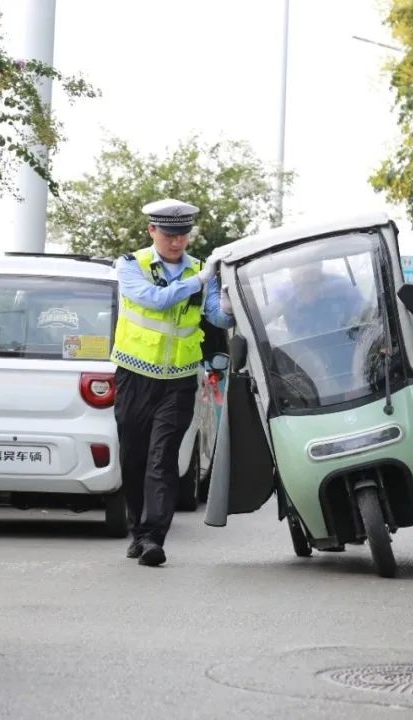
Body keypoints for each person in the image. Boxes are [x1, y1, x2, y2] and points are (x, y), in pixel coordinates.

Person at [111, 198, 234, 566]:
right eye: (169, 235)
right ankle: (138, 527)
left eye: (182, 235)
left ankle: (153, 538)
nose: (177, 242)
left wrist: (229, 299)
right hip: (134, 376)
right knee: (132, 459)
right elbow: (155, 300)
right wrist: (198, 280)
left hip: (179, 381)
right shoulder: (132, 266)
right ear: (152, 231)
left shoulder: (202, 270)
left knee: (161, 459)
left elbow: (215, 316)